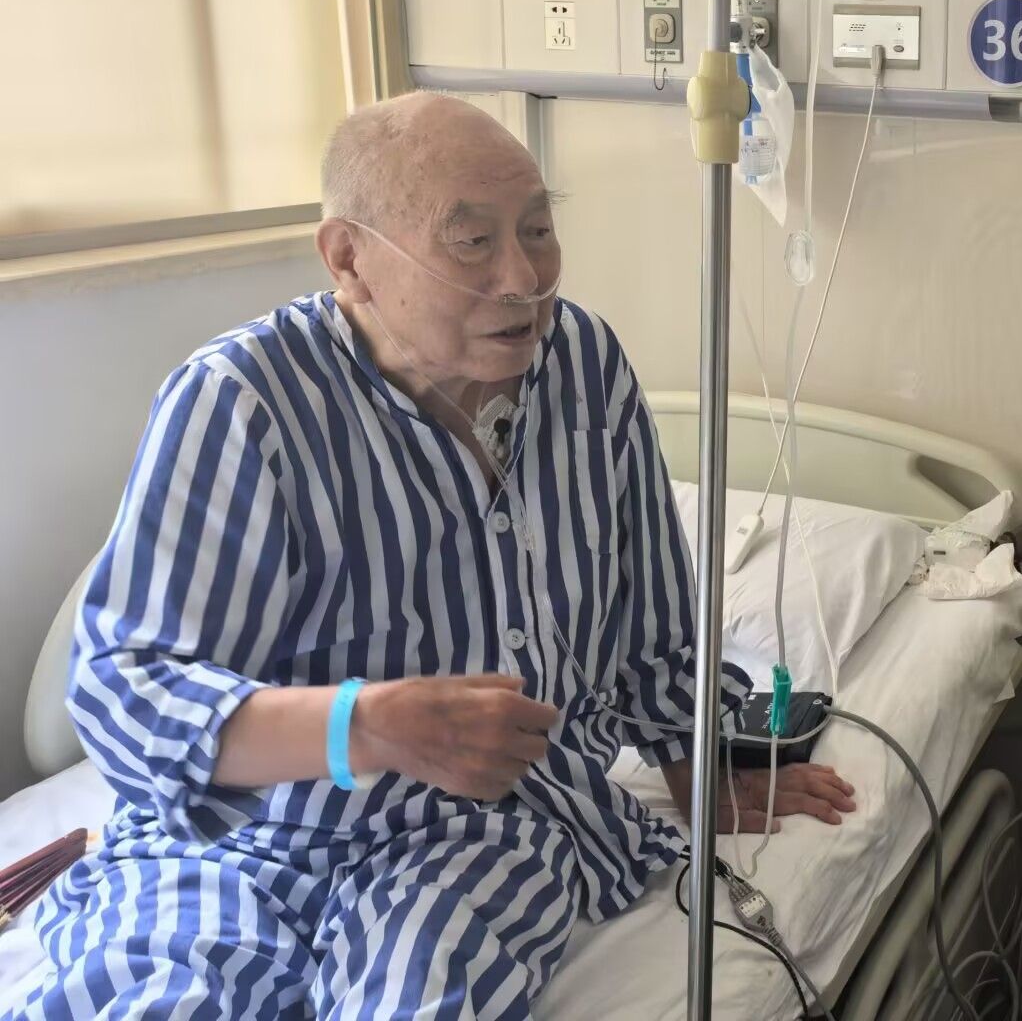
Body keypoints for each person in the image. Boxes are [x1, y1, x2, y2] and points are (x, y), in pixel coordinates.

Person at [13, 91, 856, 1020]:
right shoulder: (243, 404)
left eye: (538, 229)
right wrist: (365, 726)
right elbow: (125, 688)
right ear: (350, 259)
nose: (523, 277)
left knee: (419, 992)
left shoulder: (584, 368)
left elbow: (650, 620)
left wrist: (697, 764)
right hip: (236, 835)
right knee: (160, 998)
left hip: (481, 827)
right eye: (472, 241)